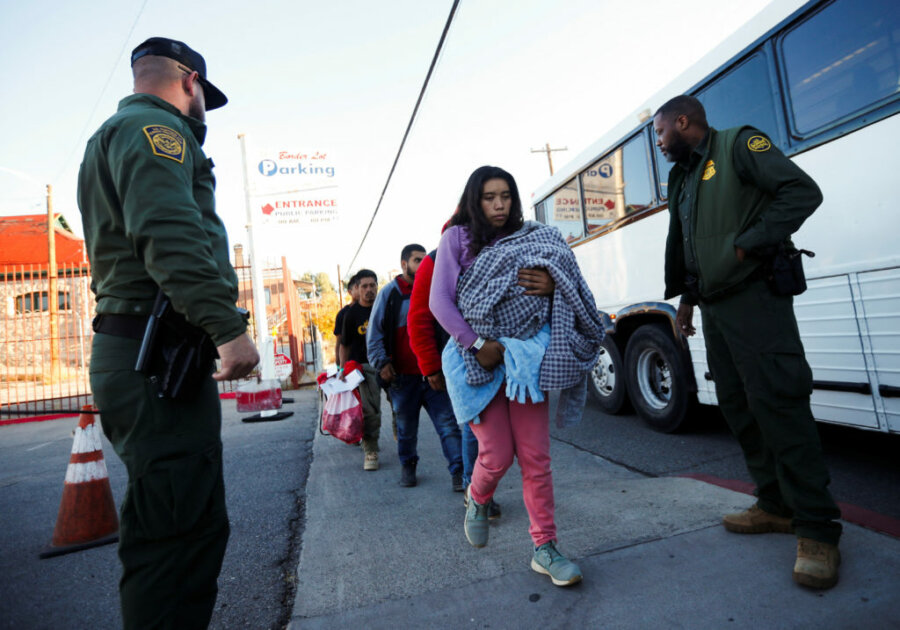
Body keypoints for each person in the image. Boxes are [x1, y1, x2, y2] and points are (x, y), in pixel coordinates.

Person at [77, 37, 260, 629]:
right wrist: (228, 330)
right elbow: (169, 234)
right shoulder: (160, 133)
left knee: (177, 523)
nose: (203, 104)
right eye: (204, 92)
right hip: (155, 353)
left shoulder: (112, 135)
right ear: (189, 81)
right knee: (178, 535)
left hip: (143, 349)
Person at [654, 94, 842, 589]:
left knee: (779, 404)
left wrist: (748, 243)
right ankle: (776, 505)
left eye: (659, 132)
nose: (658, 143)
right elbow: (688, 244)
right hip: (714, 308)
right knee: (738, 406)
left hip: (756, 301)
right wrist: (688, 301)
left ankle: (818, 529)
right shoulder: (684, 177)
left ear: (682, 121)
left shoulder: (739, 144)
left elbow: (801, 192)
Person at [430, 165, 604, 587]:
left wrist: (552, 283)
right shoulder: (457, 238)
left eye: (506, 196)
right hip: (478, 359)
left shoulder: (533, 234)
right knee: (497, 455)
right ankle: (478, 496)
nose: (499, 204)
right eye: (490, 197)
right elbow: (441, 302)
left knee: (536, 458)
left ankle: (545, 547)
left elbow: (567, 275)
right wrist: (477, 344)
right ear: (476, 199)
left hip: (525, 359)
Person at [367, 244, 464, 489]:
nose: (423, 265)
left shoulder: (435, 288)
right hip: (403, 378)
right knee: (406, 429)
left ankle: (459, 473)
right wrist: (382, 364)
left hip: (434, 376)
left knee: (448, 426)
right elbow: (375, 332)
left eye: (425, 260)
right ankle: (408, 466)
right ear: (404, 264)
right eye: (416, 260)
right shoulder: (389, 294)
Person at [340, 269, 382, 470]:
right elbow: (344, 344)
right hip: (363, 369)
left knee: (401, 409)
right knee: (369, 411)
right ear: (357, 288)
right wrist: (342, 368)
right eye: (364, 286)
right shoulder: (351, 314)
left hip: (387, 365)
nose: (369, 290)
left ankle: (402, 438)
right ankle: (371, 450)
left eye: (372, 285)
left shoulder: (384, 308)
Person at [334, 273, 359, 366]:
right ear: (350, 291)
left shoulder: (375, 309)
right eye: (357, 287)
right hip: (351, 365)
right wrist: (339, 366)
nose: (362, 290)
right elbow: (339, 342)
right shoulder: (343, 314)